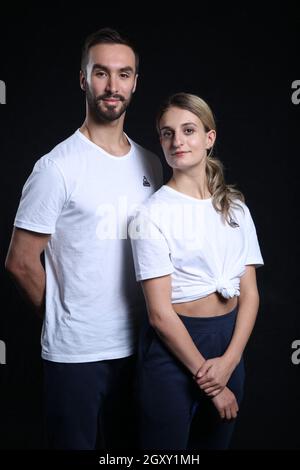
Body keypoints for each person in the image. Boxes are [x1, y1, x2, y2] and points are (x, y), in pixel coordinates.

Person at [5, 27, 162, 450]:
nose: (113, 86)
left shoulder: (151, 161)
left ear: (135, 82)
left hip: (142, 349)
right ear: (82, 78)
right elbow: (20, 261)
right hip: (77, 357)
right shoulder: (56, 167)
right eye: (101, 73)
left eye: (124, 74)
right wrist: (64, 317)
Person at [129, 92, 264, 450]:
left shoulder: (236, 209)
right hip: (176, 349)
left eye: (188, 130)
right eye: (167, 133)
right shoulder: (150, 216)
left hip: (228, 343)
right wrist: (214, 384)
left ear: (209, 138)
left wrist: (230, 361)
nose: (177, 141)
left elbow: (249, 292)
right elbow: (159, 314)